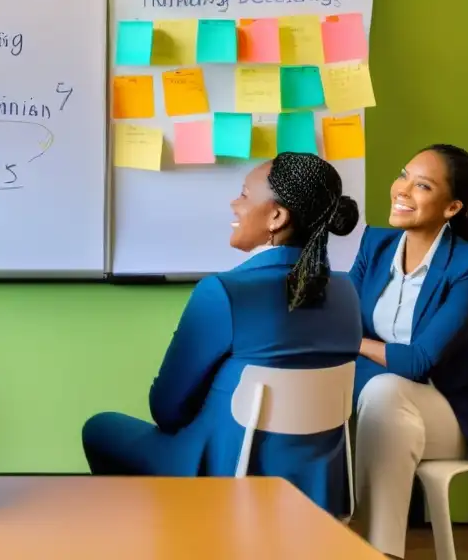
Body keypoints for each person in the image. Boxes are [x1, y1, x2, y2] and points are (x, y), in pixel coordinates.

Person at [82, 153, 362, 516]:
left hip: (221, 472)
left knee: (100, 429)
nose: (234, 203)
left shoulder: (224, 292)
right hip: (317, 481)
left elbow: (166, 410)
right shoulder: (347, 293)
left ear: (276, 217)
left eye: (244, 194)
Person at [350, 144, 468, 559]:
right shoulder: (375, 244)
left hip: (454, 412)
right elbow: (341, 322)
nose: (403, 190)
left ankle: (375, 551)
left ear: (452, 207)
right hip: (386, 411)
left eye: (422, 185)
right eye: (404, 174)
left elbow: (420, 360)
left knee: (386, 393)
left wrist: (353, 343)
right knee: (357, 393)